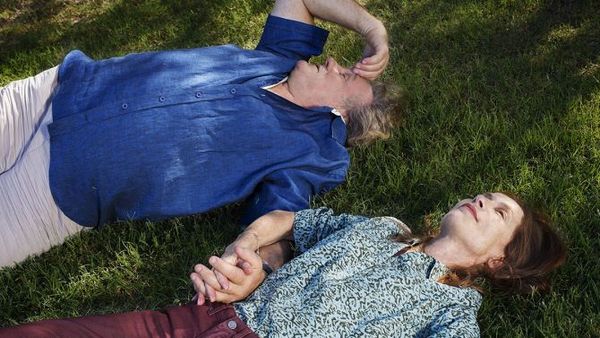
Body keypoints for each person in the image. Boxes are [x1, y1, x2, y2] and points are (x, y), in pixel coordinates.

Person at [0, 0, 406, 268]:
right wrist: (374, 30)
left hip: (57, 190)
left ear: (338, 113)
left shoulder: (312, 152)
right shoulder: (279, 57)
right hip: (51, 94)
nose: (334, 61)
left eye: (346, 75)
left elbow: (281, 223)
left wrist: (254, 261)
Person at [0, 192, 567, 337]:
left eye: (499, 213)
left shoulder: (452, 310)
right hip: (198, 319)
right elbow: (284, 220)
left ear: (499, 261)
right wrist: (243, 256)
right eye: (487, 195)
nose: (482, 202)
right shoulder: (381, 228)